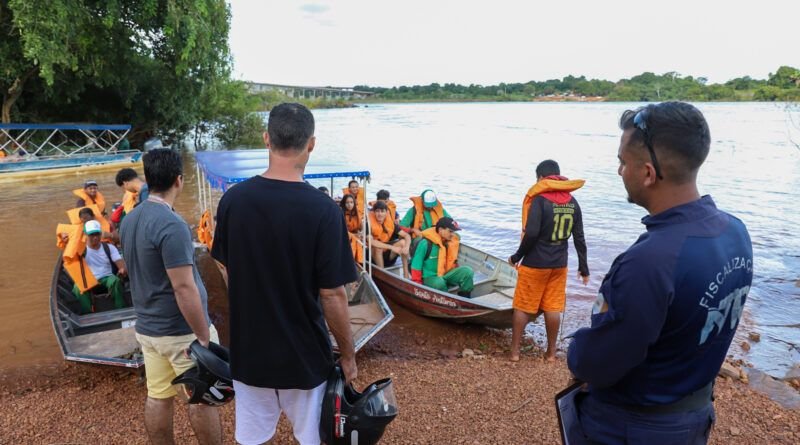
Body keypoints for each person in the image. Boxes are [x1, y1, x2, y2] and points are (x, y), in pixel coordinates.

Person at [566, 102, 753, 444]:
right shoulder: (735, 232)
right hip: (693, 415)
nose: (619, 171)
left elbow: (597, 364)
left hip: (633, 426)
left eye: (623, 162)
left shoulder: (649, 261)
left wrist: (576, 346)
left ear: (648, 173)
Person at [211, 103, 358, 445]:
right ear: (311, 144)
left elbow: (225, 266)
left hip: (249, 352)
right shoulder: (324, 211)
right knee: (312, 438)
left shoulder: (234, 201)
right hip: (304, 356)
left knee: (251, 439)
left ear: (267, 139)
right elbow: (332, 294)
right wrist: (348, 356)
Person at [119, 149, 221, 445]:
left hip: (148, 329)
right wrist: (203, 336)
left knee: (158, 396)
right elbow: (183, 287)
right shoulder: (171, 224)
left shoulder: (130, 220)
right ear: (179, 180)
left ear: (148, 180)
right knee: (201, 399)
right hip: (180, 332)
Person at [508, 160, 589, 363]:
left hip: (535, 263)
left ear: (541, 178)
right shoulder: (572, 202)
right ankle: (551, 354)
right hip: (559, 263)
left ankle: (515, 353)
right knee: (552, 308)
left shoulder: (540, 200)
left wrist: (516, 257)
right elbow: (579, 237)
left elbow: (532, 233)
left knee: (523, 306)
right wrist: (583, 267)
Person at [71, 220, 127, 314]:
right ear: (85, 235)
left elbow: (120, 263)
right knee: (78, 288)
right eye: (92, 235)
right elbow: (69, 255)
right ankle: (88, 315)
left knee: (116, 281)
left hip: (107, 278)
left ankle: (121, 311)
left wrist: (122, 269)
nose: (95, 237)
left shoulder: (109, 247)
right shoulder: (80, 250)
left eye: (97, 234)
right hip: (89, 280)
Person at [410, 217, 474, 297]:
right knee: (439, 283)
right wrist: (418, 287)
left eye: (454, 232)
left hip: (445, 274)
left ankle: (465, 298)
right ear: (440, 230)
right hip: (429, 277)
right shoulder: (425, 244)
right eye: (450, 231)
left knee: (468, 271)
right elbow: (416, 266)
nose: (453, 234)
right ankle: (448, 300)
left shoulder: (449, 242)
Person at [368, 200, 410, 274]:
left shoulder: (391, 224)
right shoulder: (368, 224)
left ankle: (406, 273)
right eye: (377, 211)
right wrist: (393, 248)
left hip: (388, 257)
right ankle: (383, 274)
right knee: (378, 248)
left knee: (403, 242)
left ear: (386, 212)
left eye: (382, 211)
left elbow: (407, 236)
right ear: (374, 212)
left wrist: (406, 247)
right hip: (374, 257)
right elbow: (371, 242)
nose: (380, 214)